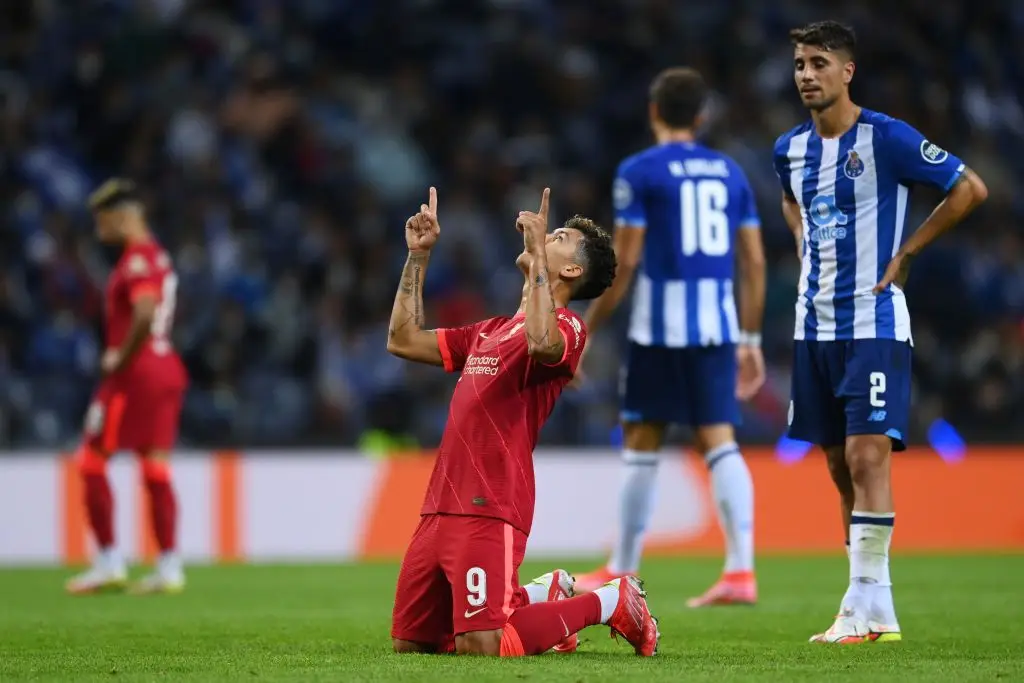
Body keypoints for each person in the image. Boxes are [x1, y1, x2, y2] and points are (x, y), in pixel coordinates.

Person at [774, 21, 988, 643]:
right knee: (839, 464)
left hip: (874, 321)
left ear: (847, 72)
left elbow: (969, 189)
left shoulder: (888, 138)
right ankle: (873, 609)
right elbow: (791, 199)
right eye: (798, 64)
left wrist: (910, 251)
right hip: (811, 325)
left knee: (869, 454)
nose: (807, 74)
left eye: (819, 63)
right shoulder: (788, 148)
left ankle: (863, 605)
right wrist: (799, 236)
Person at [386, 187, 659, 657]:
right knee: (414, 644)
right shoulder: (488, 332)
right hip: (439, 504)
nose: (543, 235)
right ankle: (536, 595)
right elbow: (404, 340)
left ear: (571, 271)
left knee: (482, 645)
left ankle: (611, 601)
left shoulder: (570, 329)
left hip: (489, 502)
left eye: (558, 237)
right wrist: (418, 258)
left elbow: (541, 343)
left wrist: (536, 260)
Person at [574, 67, 767, 608]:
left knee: (641, 439)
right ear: (702, 117)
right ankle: (740, 570)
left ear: (654, 112)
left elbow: (628, 258)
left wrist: (587, 326)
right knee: (719, 440)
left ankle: (623, 568)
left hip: (659, 328)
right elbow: (752, 259)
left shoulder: (639, 170)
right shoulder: (730, 172)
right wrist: (749, 337)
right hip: (716, 326)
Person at [65, 179, 190, 596]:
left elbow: (144, 310)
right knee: (155, 467)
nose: (99, 232)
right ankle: (169, 566)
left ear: (121, 218)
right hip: (164, 366)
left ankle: (109, 562)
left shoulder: (137, 260)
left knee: (90, 461)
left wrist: (119, 356)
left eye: (102, 222)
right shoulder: (158, 256)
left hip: (134, 373)